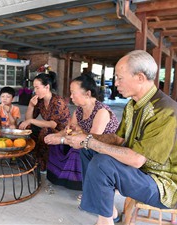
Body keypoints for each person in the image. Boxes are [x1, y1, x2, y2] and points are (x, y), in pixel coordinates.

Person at [65, 50, 177, 225]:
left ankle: (105, 221)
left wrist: (89, 141)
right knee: (87, 152)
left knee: (103, 163)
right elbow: (118, 139)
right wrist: (86, 137)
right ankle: (109, 212)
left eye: (119, 77)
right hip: (140, 173)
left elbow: (137, 160)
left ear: (140, 77)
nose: (115, 83)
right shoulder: (132, 105)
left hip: (161, 183)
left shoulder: (165, 111)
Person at [44, 75, 119, 191]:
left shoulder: (101, 111)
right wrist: (57, 135)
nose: (71, 96)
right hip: (83, 141)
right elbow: (70, 129)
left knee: (77, 150)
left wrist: (63, 139)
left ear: (87, 94)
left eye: (73, 93)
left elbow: (91, 140)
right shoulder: (79, 110)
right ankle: (60, 178)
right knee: (55, 144)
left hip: (101, 148)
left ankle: (81, 183)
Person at [19, 73, 70, 171]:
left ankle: (43, 165)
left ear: (47, 87)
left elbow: (52, 124)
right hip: (49, 128)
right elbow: (28, 119)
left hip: (63, 132)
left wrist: (31, 120)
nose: (35, 91)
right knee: (24, 126)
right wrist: (31, 105)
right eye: (34, 88)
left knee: (46, 130)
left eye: (37, 88)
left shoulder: (58, 101)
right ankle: (30, 159)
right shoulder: (40, 101)